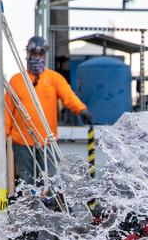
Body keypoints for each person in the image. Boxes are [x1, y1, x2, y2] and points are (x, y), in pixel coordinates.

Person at [5, 36, 92, 188]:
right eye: (33, 53)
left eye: (40, 54)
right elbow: (7, 110)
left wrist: (82, 110)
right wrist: (5, 135)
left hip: (47, 141)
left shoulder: (54, 78)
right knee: (27, 181)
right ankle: (30, 207)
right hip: (22, 141)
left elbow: (69, 97)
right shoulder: (16, 80)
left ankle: (51, 206)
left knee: (50, 180)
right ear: (28, 54)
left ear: (45, 55)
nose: (36, 57)